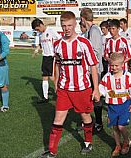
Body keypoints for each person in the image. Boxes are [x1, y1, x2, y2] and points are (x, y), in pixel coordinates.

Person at [41, 11, 100, 158]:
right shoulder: (58, 44)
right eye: (64, 26)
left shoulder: (84, 43)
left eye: (69, 25)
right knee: (58, 119)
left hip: (82, 89)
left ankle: (87, 142)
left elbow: (93, 66)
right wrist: (56, 81)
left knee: (85, 117)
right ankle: (52, 151)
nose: (67, 28)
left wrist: (96, 89)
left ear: (75, 25)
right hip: (64, 89)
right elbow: (58, 64)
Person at [99, 52, 131, 157]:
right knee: (115, 127)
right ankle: (118, 145)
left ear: (122, 65)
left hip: (125, 105)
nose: (114, 67)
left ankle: (126, 141)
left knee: (121, 126)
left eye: (116, 65)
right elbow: (101, 90)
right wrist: (96, 95)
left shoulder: (128, 76)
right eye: (112, 65)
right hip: (112, 106)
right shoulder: (107, 77)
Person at [80, 7, 104, 133]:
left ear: (83, 18)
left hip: (94, 70)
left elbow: (94, 52)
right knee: (88, 96)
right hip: (89, 70)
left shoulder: (94, 30)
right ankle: (88, 121)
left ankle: (99, 123)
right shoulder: (90, 31)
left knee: (96, 96)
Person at [31, 18, 61, 104]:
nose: (37, 31)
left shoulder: (51, 31)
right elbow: (41, 44)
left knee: (53, 78)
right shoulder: (41, 35)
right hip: (45, 57)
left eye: (37, 29)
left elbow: (59, 39)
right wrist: (37, 50)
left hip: (52, 57)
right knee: (44, 76)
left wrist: (57, 52)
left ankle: (60, 95)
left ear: (40, 25)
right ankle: (45, 97)